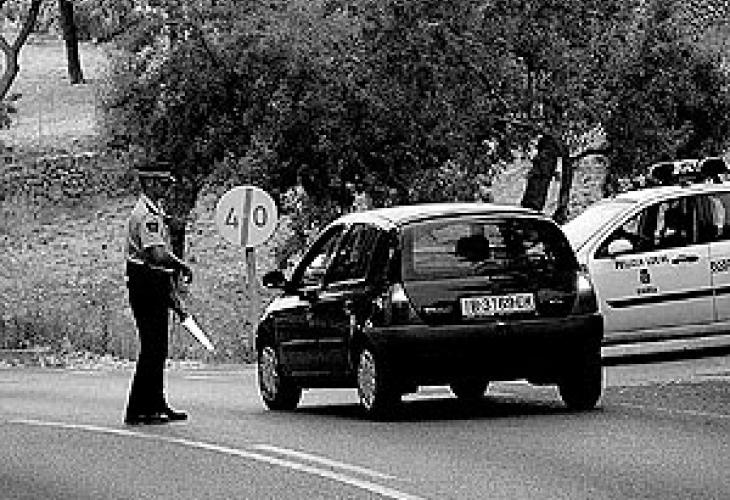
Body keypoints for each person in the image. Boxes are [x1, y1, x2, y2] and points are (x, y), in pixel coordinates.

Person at [124, 166, 193, 425]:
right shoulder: (146, 216)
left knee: (157, 348)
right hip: (145, 282)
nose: (167, 188)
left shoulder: (153, 211)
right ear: (151, 183)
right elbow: (156, 254)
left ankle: (155, 403)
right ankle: (139, 409)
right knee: (152, 349)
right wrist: (181, 265)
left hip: (152, 281)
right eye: (163, 183)